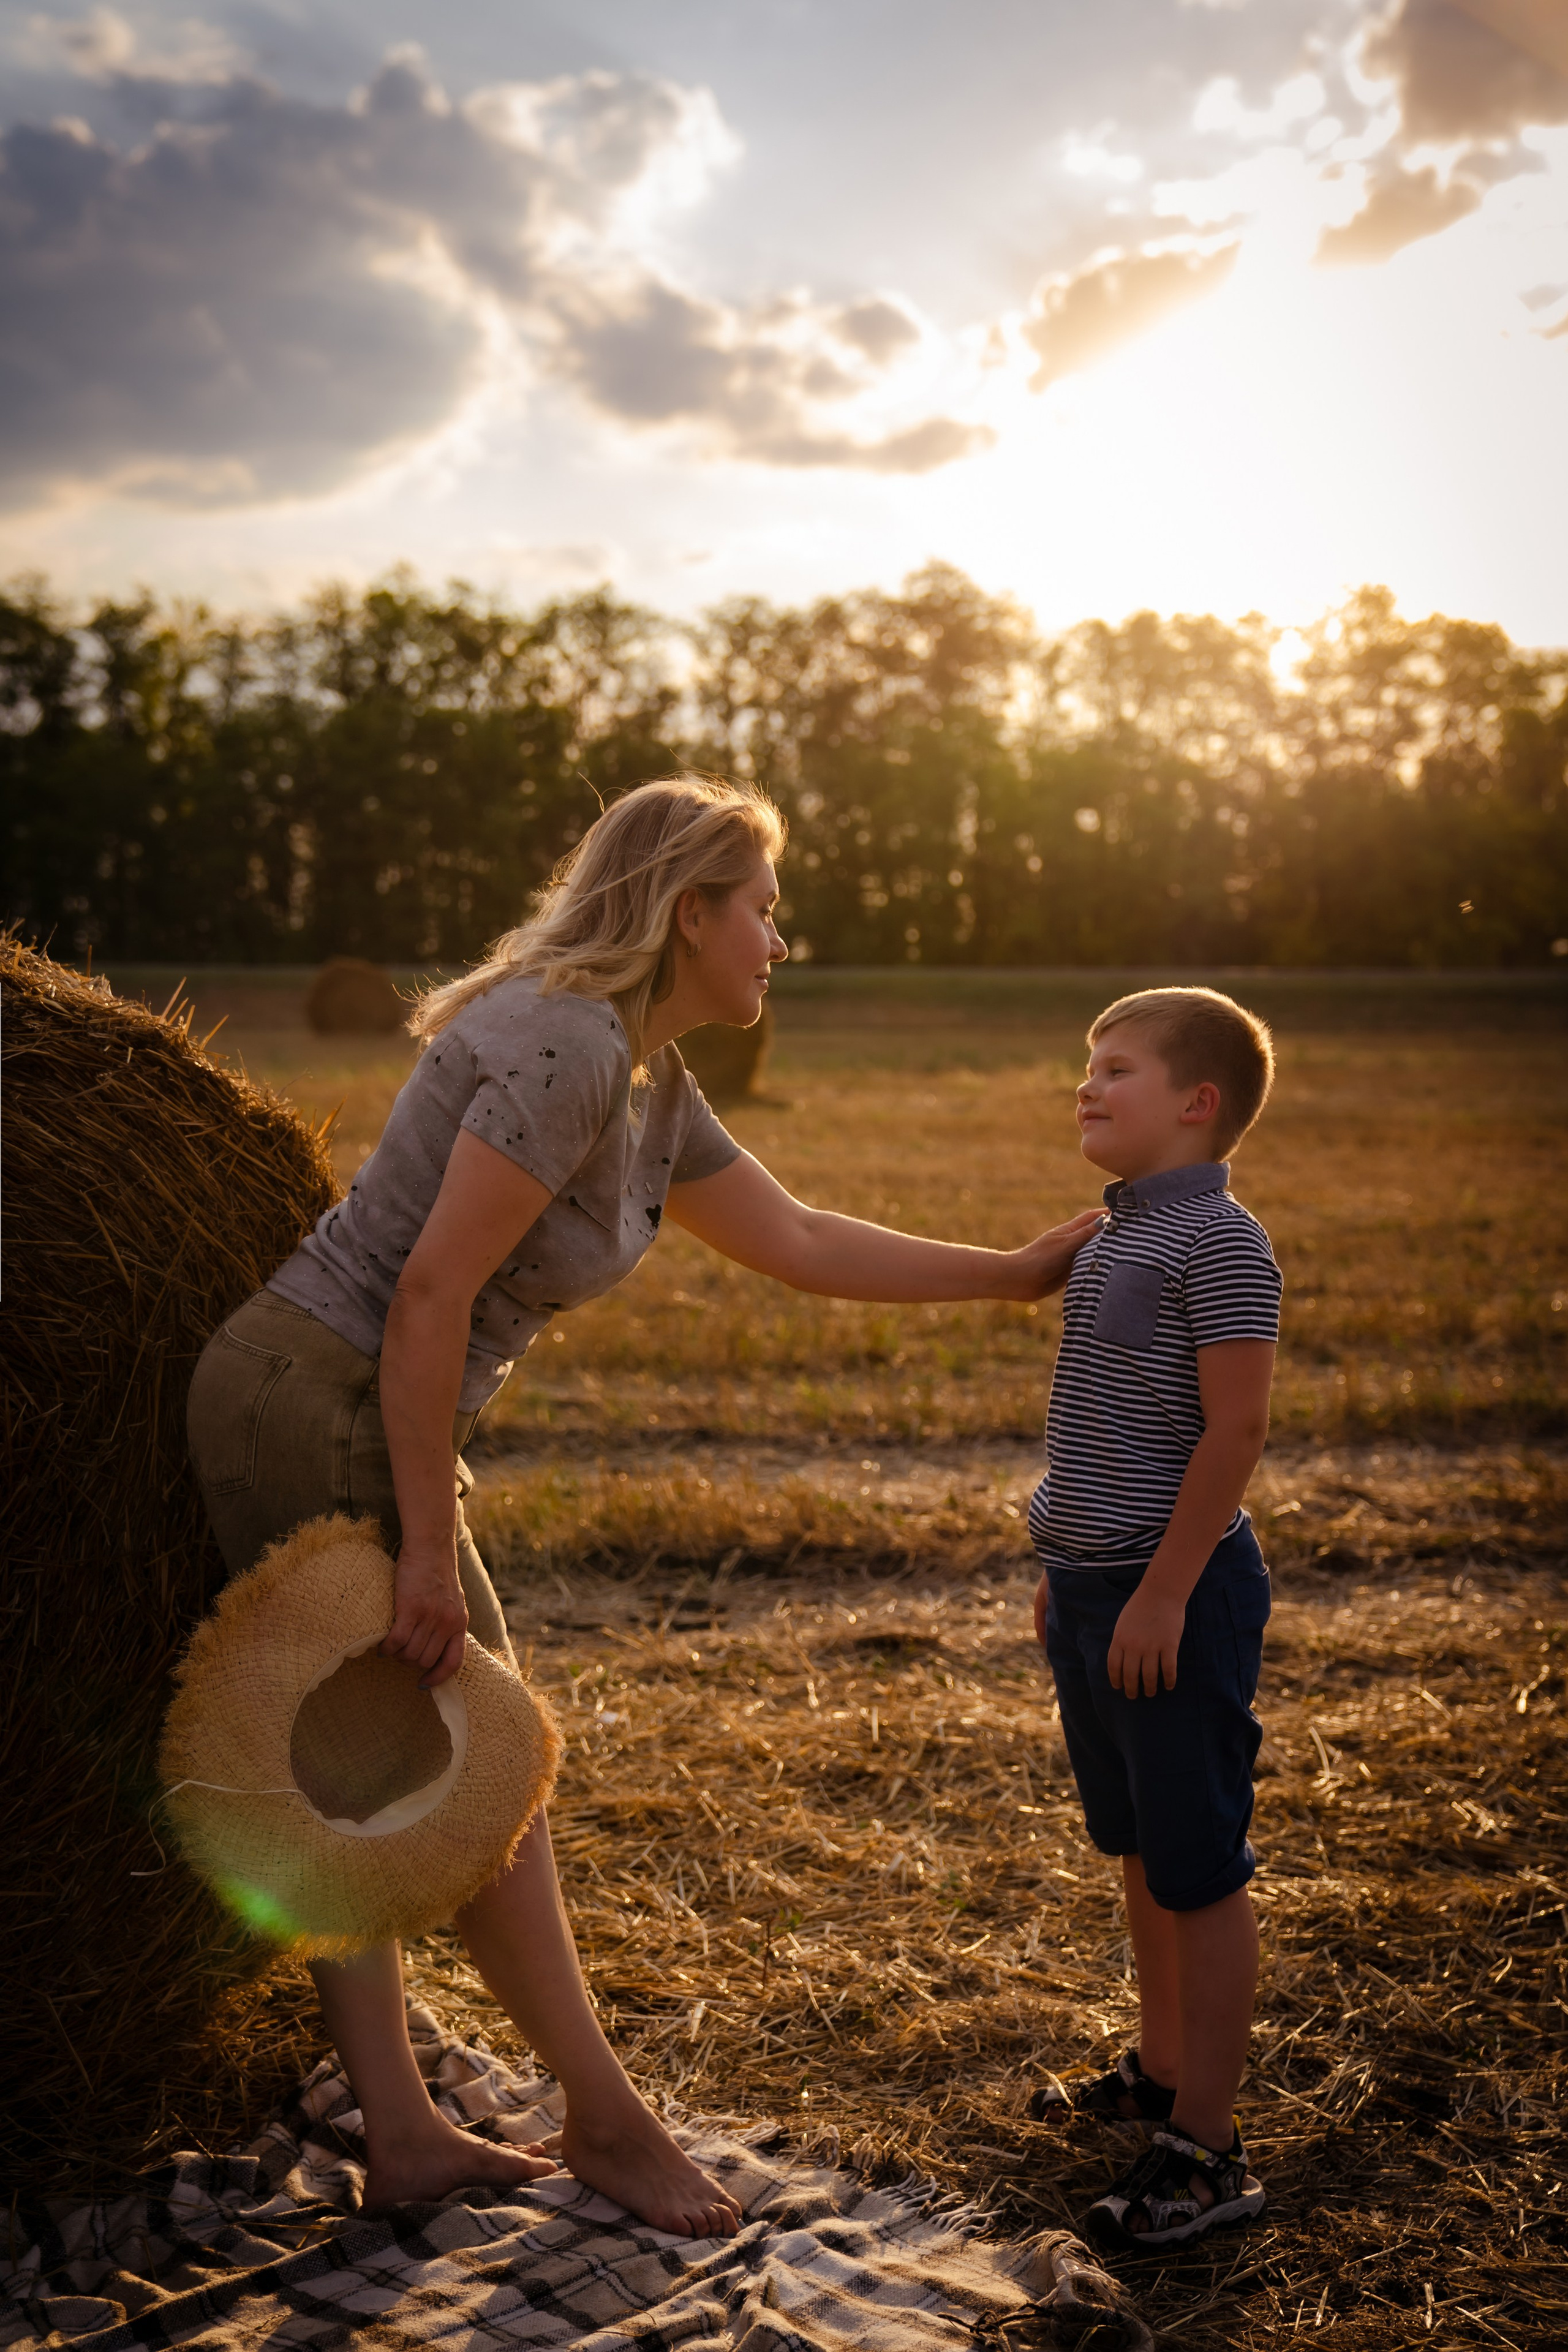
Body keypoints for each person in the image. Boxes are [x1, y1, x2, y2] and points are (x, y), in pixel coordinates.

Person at [187, 775, 1104, 2237]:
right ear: (688, 914)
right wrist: (427, 1553)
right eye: (763, 910)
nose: (777, 942)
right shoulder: (567, 1045)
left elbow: (797, 1239)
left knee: (365, 1765)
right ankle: (603, 2125)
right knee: (482, 1766)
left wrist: (1007, 1275)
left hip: (355, 1394)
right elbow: (426, 1296)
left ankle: (409, 2133)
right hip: (319, 1394)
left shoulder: (645, 1080)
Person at [1025, 986, 1281, 2251]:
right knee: (1135, 1846)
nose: (1087, 1084)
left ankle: (1209, 2148)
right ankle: (1162, 2064)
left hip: (1170, 1596)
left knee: (1197, 1867)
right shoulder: (1114, 1234)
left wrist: (1165, 1591)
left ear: (1196, 1103)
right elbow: (1098, 1419)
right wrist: (1062, 1570)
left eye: (1116, 1067)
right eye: (1088, 1063)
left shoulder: (1220, 1243)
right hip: (1094, 1591)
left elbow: (1234, 1431)